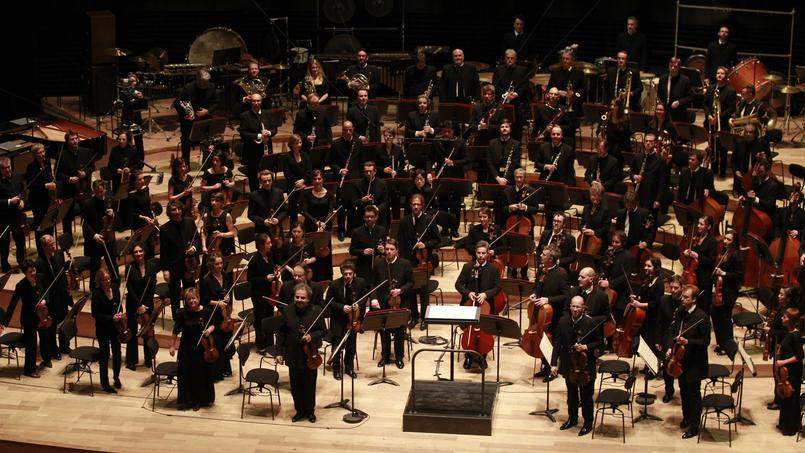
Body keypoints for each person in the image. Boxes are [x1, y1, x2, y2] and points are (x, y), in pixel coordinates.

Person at [551, 295, 601, 436]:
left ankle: (588, 422)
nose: (575, 309)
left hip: (586, 367)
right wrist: (553, 364)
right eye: (573, 306)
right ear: (570, 307)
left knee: (586, 397)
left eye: (578, 307)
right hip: (569, 366)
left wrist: (586, 346)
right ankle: (572, 419)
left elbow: (599, 342)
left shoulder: (590, 323)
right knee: (571, 396)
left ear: (583, 308)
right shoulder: (563, 321)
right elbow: (557, 343)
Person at [665, 284, 711, 439]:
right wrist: (670, 347)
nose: (682, 299)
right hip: (680, 359)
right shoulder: (681, 312)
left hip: (695, 362)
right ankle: (686, 417)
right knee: (683, 391)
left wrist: (688, 342)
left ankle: (694, 425)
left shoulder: (702, 317)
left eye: (686, 297)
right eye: (682, 297)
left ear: (694, 299)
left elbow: (705, 341)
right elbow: (673, 331)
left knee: (693, 394)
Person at [276, 283, 326, 422]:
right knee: (295, 385)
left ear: (308, 298)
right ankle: (299, 411)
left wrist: (312, 336)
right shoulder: (287, 310)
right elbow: (281, 333)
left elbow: (323, 330)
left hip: (310, 354)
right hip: (292, 353)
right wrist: (279, 352)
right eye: (297, 297)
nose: (299, 300)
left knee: (309, 385)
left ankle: (310, 411)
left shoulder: (316, 311)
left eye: (302, 298)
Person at [455, 241, 501, 369]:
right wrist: (468, 293)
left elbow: (498, 287)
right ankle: (468, 355)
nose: (481, 255)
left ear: (487, 254)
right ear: (475, 253)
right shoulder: (468, 267)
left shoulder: (493, 269)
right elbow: (458, 284)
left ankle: (483, 356)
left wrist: (486, 294)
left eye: (483, 253)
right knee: (468, 328)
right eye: (478, 253)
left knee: (484, 329)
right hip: (469, 304)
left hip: (486, 306)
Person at [169, 287, 215, 411]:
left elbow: (212, 325)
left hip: (202, 348)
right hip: (186, 347)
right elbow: (176, 330)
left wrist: (208, 330)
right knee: (186, 373)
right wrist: (172, 345)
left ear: (198, 298)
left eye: (194, 298)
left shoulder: (206, 311)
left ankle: (199, 400)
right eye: (189, 299)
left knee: (199, 374)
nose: (191, 301)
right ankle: (187, 400)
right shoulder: (181, 313)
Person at [397, 194, 440, 328]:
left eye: (418, 204)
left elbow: (438, 240)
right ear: (410, 205)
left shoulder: (429, 220)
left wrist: (425, 244)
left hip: (424, 261)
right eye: (413, 204)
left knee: (423, 291)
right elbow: (401, 243)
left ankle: (425, 319)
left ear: (422, 206)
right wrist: (403, 262)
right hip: (408, 262)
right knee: (410, 291)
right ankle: (414, 317)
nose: (416, 207)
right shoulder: (404, 221)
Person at [369, 239, 413, 368]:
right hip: (383, 303)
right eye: (387, 249)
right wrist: (373, 298)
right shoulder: (378, 264)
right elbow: (373, 283)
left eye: (392, 249)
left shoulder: (405, 264)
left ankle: (399, 357)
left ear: (397, 250)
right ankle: (385, 356)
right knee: (384, 331)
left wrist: (400, 290)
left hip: (400, 302)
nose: (389, 251)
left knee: (399, 331)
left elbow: (411, 282)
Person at [0, 260, 48, 378]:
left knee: (46, 337)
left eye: (34, 270)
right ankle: (29, 370)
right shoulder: (21, 285)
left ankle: (47, 359)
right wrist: (4, 322)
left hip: (41, 315)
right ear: (25, 273)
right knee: (31, 344)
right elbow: (13, 303)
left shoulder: (40, 278)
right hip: (29, 318)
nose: (33, 273)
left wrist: (44, 300)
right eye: (30, 272)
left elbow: (47, 293)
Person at [531, 244, 570, 379]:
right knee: (541, 339)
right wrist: (534, 293)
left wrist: (548, 299)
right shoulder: (541, 270)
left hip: (554, 314)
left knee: (551, 342)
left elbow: (566, 295)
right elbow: (536, 286)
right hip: (541, 312)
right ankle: (544, 366)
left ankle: (552, 369)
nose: (541, 256)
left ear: (551, 259)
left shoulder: (561, 273)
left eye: (544, 254)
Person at [159, 200, 201, 319]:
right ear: (169, 212)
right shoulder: (164, 229)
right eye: (174, 210)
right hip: (174, 266)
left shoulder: (189, 222)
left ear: (182, 210)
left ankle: (191, 316)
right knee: (175, 296)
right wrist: (165, 270)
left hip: (189, 266)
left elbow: (197, 239)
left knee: (190, 292)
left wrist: (194, 248)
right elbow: (163, 252)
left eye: (179, 209)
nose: (177, 212)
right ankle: (178, 320)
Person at [329, 261, 367, 380]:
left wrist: (358, 305)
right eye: (345, 274)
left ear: (353, 273)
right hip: (338, 319)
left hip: (353, 318)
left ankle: (349, 367)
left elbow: (364, 297)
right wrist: (342, 307)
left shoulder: (360, 282)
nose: (348, 276)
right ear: (342, 273)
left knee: (351, 344)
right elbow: (329, 302)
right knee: (337, 344)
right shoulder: (334, 284)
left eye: (350, 273)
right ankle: (336, 368)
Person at [36, 235, 73, 358]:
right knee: (53, 325)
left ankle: (64, 345)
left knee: (64, 322)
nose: (54, 246)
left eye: (54, 243)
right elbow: (41, 284)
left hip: (62, 294)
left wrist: (67, 287)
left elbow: (61, 274)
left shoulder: (58, 254)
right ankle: (53, 349)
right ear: (44, 246)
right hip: (51, 299)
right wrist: (44, 299)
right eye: (51, 244)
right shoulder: (39, 262)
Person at [199, 252, 233, 381]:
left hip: (224, 314)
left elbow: (227, 291)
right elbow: (204, 300)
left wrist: (227, 297)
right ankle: (217, 371)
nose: (220, 266)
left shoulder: (225, 275)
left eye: (221, 263)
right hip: (213, 314)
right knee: (218, 341)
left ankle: (226, 368)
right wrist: (217, 303)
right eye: (217, 264)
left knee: (226, 340)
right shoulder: (206, 280)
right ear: (211, 265)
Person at [173, 69, 219, 164]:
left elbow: (216, 101)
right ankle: (186, 164)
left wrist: (208, 111)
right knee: (186, 141)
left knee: (209, 139)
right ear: (198, 80)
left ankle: (207, 164)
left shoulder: (211, 86)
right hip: (189, 120)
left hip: (204, 117)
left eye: (207, 82)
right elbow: (177, 103)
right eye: (203, 82)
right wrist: (186, 115)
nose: (205, 84)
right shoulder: (188, 88)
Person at [124, 243, 156, 371]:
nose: (138, 254)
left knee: (147, 332)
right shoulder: (129, 268)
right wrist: (138, 305)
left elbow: (152, 287)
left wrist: (145, 305)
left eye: (140, 251)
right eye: (135, 252)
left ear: (145, 252)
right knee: (132, 331)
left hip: (147, 305)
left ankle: (148, 358)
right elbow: (130, 289)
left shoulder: (151, 267)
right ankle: (131, 361)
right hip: (133, 304)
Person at [56, 130, 95, 234]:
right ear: (67, 142)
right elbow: (58, 174)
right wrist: (69, 178)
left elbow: (92, 166)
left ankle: (89, 236)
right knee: (67, 218)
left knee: (88, 215)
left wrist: (85, 173)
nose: (75, 141)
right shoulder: (61, 155)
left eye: (76, 138)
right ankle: (68, 240)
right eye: (72, 139)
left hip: (84, 189)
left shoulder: (86, 151)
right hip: (69, 191)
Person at [300, 169, 336, 281]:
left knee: (324, 251)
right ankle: (313, 278)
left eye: (319, 178)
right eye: (315, 179)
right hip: (311, 226)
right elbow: (304, 211)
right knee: (312, 252)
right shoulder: (306, 194)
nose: (317, 181)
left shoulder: (330, 194)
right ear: (312, 181)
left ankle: (325, 278)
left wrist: (324, 223)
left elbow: (330, 210)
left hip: (325, 227)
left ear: (323, 180)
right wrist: (316, 222)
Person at [91, 268, 123, 393]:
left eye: (109, 279)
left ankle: (116, 377)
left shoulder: (114, 288)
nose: (108, 281)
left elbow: (119, 305)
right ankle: (105, 384)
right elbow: (95, 314)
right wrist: (111, 318)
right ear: (100, 282)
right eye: (105, 280)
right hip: (103, 328)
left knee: (117, 353)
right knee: (105, 355)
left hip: (116, 328)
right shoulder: (97, 294)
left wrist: (120, 313)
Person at [238, 93, 278, 192]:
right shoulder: (245, 115)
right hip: (252, 152)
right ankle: (255, 196)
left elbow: (274, 129)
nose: (256, 103)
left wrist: (269, 133)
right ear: (250, 102)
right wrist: (259, 136)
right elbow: (243, 133)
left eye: (258, 101)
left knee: (268, 175)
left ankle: (268, 194)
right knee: (253, 178)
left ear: (261, 102)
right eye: (254, 101)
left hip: (266, 150)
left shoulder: (267, 114)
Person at [81, 179, 117, 289]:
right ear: (93, 191)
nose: (99, 194)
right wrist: (94, 235)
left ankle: (115, 285)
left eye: (101, 192)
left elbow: (117, 220)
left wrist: (113, 215)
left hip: (109, 237)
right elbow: (84, 223)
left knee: (112, 263)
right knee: (95, 266)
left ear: (105, 189)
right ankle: (94, 289)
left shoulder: (110, 200)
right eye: (96, 192)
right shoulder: (88, 204)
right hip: (96, 240)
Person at [711, 230, 743, 354]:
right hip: (720, 289)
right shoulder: (724, 252)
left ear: (734, 242)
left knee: (725, 318)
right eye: (725, 238)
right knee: (715, 315)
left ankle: (727, 346)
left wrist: (724, 273)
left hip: (730, 291)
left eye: (728, 239)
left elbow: (738, 275)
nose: (725, 241)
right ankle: (720, 343)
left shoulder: (736, 255)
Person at [248, 233, 279, 353]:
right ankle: (261, 345)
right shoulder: (254, 261)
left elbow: (273, 268)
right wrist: (265, 279)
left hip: (270, 292)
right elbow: (251, 279)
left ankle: (269, 344)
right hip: (258, 294)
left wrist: (276, 274)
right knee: (260, 319)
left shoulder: (270, 255)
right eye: (268, 243)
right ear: (261, 245)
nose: (271, 245)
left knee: (269, 317)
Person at [703, 66, 737, 177]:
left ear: (726, 76)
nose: (719, 75)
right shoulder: (711, 88)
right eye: (718, 73)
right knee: (713, 146)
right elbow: (705, 104)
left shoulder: (730, 90)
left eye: (722, 73)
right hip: (710, 121)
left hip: (723, 122)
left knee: (722, 147)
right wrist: (709, 115)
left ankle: (722, 171)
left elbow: (732, 108)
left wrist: (718, 117)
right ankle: (713, 169)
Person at [775, 307, 803, 436]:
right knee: (786, 398)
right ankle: (784, 424)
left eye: (785, 317)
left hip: (793, 372)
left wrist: (783, 362)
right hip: (786, 371)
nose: (782, 318)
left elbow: (799, 356)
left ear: (790, 320)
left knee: (791, 398)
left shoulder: (796, 336)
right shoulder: (789, 333)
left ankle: (791, 427)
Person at [26, 143, 56, 258]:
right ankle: (42, 253)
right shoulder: (31, 167)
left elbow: (49, 177)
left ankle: (50, 249)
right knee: (41, 227)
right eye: (40, 152)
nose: (43, 154)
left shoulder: (47, 162)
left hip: (48, 199)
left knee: (50, 224)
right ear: (35, 154)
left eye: (43, 151)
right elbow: (31, 186)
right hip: (37, 201)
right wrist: (45, 186)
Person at [659, 275, 683, 403]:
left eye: (676, 288)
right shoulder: (664, 300)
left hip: (680, 338)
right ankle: (669, 391)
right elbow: (659, 322)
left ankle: (684, 391)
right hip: (666, 337)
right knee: (666, 367)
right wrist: (658, 340)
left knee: (681, 366)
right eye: (671, 287)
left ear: (682, 288)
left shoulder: (685, 303)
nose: (673, 290)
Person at [0, 156, 27, 271]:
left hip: (17, 216)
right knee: (4, 243)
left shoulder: (17, 176)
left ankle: (21, 262)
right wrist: (9, 201)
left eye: (9, 167)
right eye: (4, 168)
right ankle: (5, 265)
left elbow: (23, 191)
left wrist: (22, 200)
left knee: (20, 240)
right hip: (3, 217)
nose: (7, 170)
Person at [631, 132, 669, 212]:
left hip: (652, 196)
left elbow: (662, 183)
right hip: (638, 193)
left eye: (651, 141)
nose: (648, 143)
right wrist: (635, 176)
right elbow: (631, 172)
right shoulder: (637, 157)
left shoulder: (660, 161)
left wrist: (658, 200)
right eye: (646, 141)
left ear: (655, 143)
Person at [492, 49, 529, 130]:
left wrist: (516, 94)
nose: (510, 60)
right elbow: (495, 85)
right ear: (504, 59)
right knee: (502, 125)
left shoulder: (523, 70)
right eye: (508, 58)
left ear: (515, 59)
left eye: (512, 58)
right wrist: (505, 94)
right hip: (503, 102)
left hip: (518, 103)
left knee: (517, 127)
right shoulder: (498, 70)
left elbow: (525, 84)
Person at [349, 205, 387, 280]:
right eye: (367, 217)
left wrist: (383, 251)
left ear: (376, 217)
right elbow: (352, 250)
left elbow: (385, 248)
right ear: (364, 217)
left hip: (378, 266)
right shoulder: (356, 232)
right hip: (362, 267)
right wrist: (363, 251)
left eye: (372, 217)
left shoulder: (382, 230)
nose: (369, 219)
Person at [350, 161, 389, 232]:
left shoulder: (382, 183)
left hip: (378, 213)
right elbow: (353, 201)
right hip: (363, 213)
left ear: (375, 171)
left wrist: (377, 209)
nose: (368, 173)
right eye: (366, 171)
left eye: (370, 171)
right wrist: (362, 200)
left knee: (384, 214)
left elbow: (385, 202)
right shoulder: (358, 184)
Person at [247, 170, 287, 237]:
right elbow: (251, 215)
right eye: (264, 181)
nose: (267, 183)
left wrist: (278, 219)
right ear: (260, 182)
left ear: (272, 180)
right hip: (262, 231)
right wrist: (263, 221)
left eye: (269, 180)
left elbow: (284, 210)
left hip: (277, 229)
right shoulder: (254, 195)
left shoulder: (279, 192)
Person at [283, 135, 313, 225]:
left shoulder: (305, 155)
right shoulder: (287, 157)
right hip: (293, 187)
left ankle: (308, 227)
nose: (299, 145)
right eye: (296, 143)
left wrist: (303, 180)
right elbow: (288, 174)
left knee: (307, 209)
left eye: (300, 142)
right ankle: (293, 229)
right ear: (291, 144)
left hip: (305, 186)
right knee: (293, 211)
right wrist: (298, 183)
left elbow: (309, 171)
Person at [199, 149, 237, 214]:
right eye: (213, 160)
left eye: (217, 161)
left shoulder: (227, 170)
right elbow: (201, 188)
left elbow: (233, 183)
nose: (215, 162)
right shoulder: (208, 172)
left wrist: (228, 184)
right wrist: (213, 187)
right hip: (212, 197)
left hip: (225, 198)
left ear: (222, 161)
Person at [657, 57, 693, 123]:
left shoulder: (685, 80)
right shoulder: (662, 78)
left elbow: (690, 97)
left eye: (675, 66)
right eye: (671, 66)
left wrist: (679, 102)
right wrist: (661, 104)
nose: (672, 68)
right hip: (665, 112)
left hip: (679, 113)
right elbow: (659, 94)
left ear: (679, 67)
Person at [485, 119, 520, 185]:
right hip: (494, 178)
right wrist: (497, 177)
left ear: (510, 129)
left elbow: (515, 164)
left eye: (507, 127)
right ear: (499, 129)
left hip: (509, 180)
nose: (504, 128)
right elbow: (488, 161)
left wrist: (505, 179)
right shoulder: (492, 143)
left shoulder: (516, 144)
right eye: (502, 127)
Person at [580, 181, 611, 249]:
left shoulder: (605, 210)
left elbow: (606, 229)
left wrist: (594, 232)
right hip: (586, 240)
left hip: (599, 242)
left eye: (595, 195)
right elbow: (582, 223)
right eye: (591, 195)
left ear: (600, 196)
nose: (592, 197)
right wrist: (583, 228)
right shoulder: (586, 208)